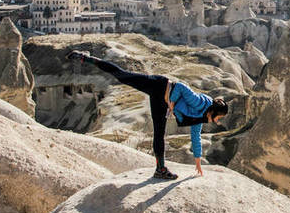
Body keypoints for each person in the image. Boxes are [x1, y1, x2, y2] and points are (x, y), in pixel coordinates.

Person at [68, 50, 227, 179]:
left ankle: (160, 169)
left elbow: (195, 137)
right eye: (219, 118)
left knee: (159, 134)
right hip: (159, 86)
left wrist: (198, 162)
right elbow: (180, 87)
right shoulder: (201, 103)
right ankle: (86, 58)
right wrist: (172, 101)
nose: (217, 122)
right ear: (214, 111)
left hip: (161, 102)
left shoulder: (200, 117)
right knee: (122, 76)